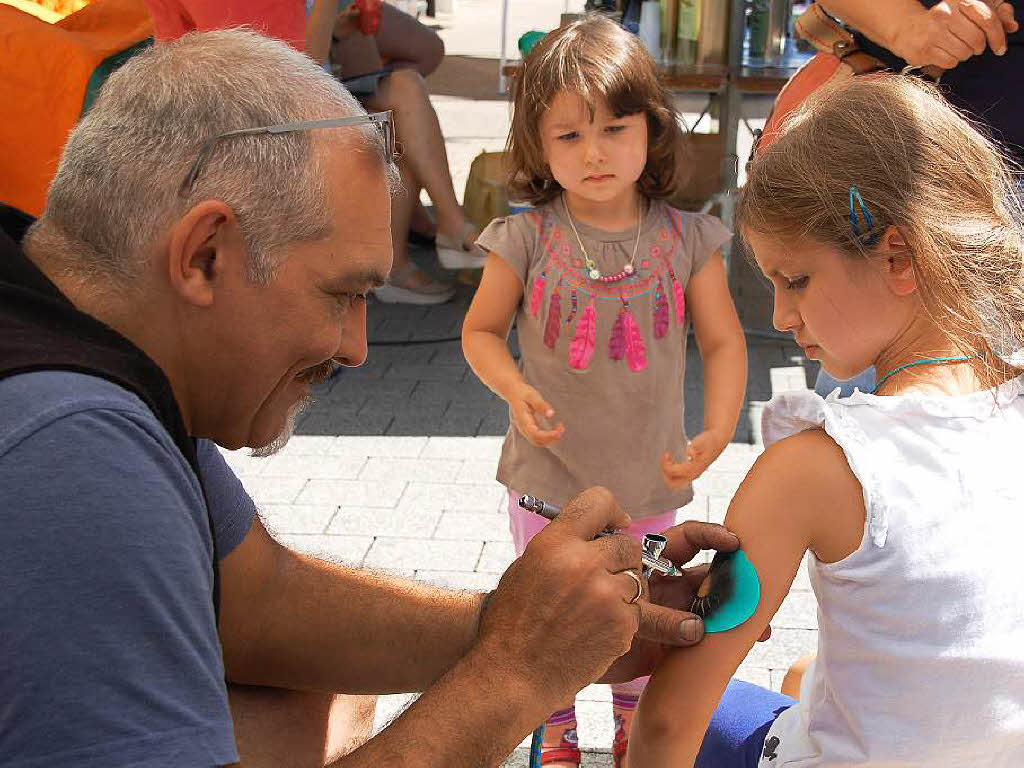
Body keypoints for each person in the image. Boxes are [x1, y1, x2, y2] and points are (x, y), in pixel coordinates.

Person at [0, 30, 744, 767]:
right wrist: (517, 673)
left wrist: (539, 627)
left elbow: (259, 600)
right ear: (205, 255)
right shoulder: (72, 451)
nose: (358, 349)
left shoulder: (101, 352)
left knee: (319, 700)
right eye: (343, 294)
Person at [627, 75, 1024, 767]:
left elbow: (665, 729)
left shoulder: (817, 466)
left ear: (898, 256)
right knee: (801, 676)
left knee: (704, 712)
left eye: (797, 279)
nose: (781, 317)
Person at [461, 17, 748, 767]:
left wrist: (717, 430)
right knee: (550, 608)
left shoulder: (692, 240)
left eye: (614, 128)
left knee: (643, 609)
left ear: (651, 130)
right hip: (546, 483)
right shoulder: (522, 238)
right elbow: (480, 332)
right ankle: (551, 725)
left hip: (650, 480)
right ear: (536, 147)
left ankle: (630, 721)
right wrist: (515, 386)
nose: (593, 153)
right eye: (567, 137)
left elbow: (722, 341)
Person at [809, 0, 1020, 396]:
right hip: (919, 168)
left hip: (928, 170)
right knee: (872, 427)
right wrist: (902, 24)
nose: (784, 319)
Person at [329, 0, 484, 304]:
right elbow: (303, 63)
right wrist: (333, 28)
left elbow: (364, 66)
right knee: (407, 100)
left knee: (408, 97)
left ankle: (421, 234)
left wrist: (347, 32)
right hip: (289, 99)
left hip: (322, 70)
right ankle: (444, 229)